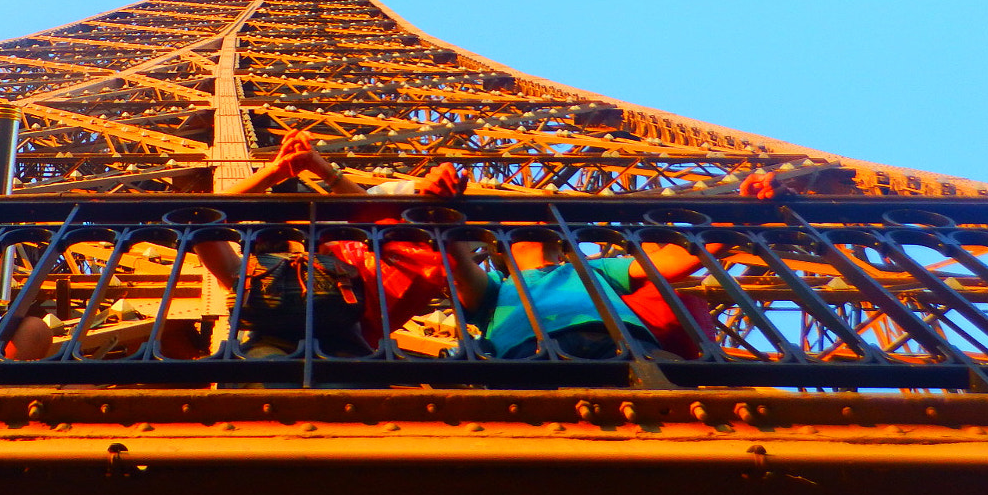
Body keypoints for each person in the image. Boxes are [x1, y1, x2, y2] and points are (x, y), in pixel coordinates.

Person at [196, 130, 476, 355]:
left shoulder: (357, 268)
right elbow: (200, 221)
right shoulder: (356, 274)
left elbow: (379, 225)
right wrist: (276, 171)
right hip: (342, 359)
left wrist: (321, 169)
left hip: (306, 358)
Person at [448, 233, 724, 361]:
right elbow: (459, 270)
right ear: (500, 249)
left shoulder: (595, 268)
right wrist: (442, 213)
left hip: (622, 344)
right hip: (531, 351)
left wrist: (745, 213)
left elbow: (672, 260)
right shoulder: (497, 284)